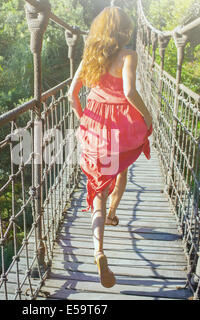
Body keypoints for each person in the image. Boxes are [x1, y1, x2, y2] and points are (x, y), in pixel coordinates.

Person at [67, 6, 153, 288]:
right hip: (121, 126)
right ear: (124, 31)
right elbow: (129, 92)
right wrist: (147, 115)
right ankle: (115, 210)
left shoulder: (89, 55)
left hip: (94, 125)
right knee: (122, 166)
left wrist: (84, 121)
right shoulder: (129, 55)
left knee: (97, 193)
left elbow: (71, 95)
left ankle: (99, 250)